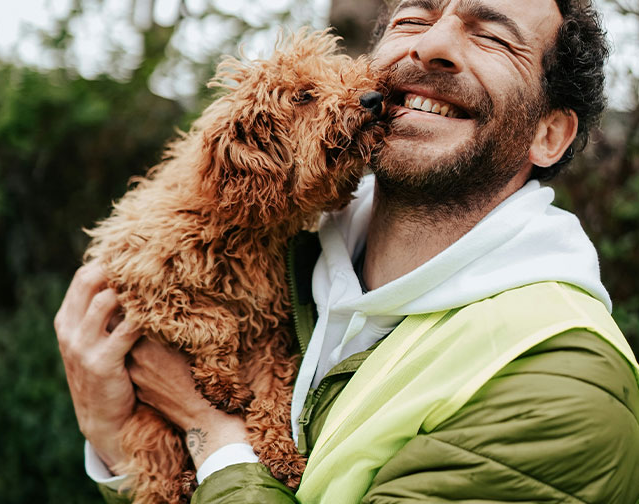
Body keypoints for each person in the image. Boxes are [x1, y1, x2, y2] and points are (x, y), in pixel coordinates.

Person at [55, 0, 639, 502]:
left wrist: (208, 428)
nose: (433, 43)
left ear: (549, 134)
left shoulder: (561, 391)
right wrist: (117, 445)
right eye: (413, 18)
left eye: (491, 35)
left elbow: (216, 442)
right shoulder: (280, 250)